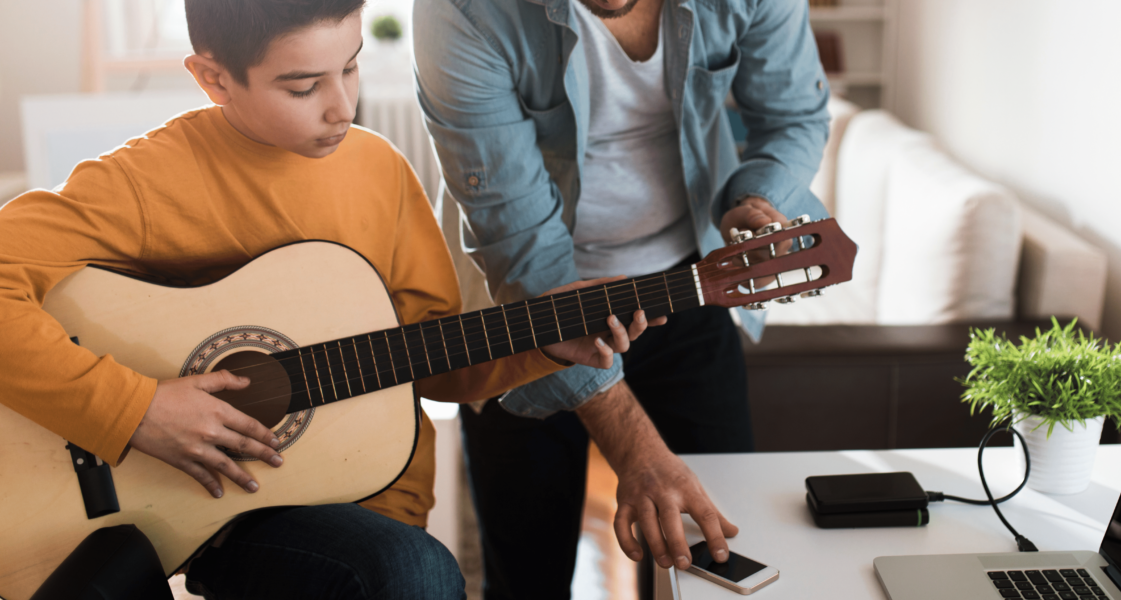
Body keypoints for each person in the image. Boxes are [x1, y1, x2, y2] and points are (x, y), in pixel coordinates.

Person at [0, 1, 652, 598]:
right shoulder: (151, 182)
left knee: (407, 563)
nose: (342, 106)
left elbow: (429, 362)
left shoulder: (381, 173)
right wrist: (135, 410)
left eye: (352, 67)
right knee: (412, 571)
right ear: (214, 78)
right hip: (223, 516)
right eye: (303, 86)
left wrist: (537, 347)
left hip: (372, 497)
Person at [413, 0, 830, 596]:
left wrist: (757, 199)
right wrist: (636, 448)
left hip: (687, 288)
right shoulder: (462, 12)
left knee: (711, 565)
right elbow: (521, 249)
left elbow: (794, 116)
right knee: (527, 573)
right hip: (519, 318)